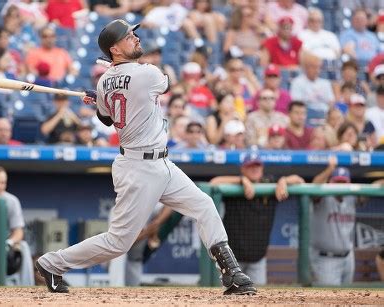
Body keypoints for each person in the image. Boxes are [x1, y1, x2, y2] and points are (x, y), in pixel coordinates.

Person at [35, 19, 257, 295]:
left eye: (133, 34)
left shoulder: (105, 81)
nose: (136, 39)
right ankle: (53, 263)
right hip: (138, 166)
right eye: (128, 37)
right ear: (114, 49)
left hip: (161, 162)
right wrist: (110, 90)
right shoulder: (147, 73)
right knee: (118, 242)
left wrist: (101, 94)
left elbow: (106, 117)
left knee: (203, 205)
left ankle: (231, 273)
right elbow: (161, 84)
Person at [210, 152, 304, 285]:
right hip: (233, 258)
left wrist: (283, 181)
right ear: (243, 169)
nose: (255, 169)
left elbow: (299, 180)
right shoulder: (236, 186)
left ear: (262, 168)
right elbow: (214, 183)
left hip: (258, 258)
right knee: (227, 297)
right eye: (250, 166)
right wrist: (241, 180)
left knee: (258, 298)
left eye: (257, 166)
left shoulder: (270, 183)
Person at [310, 157, 360, 286]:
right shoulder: (323, 197)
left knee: (347, 300)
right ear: (330, 182)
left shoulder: (352, 197)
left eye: (344, 182)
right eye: (337, 182)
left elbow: (375, 188)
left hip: (348, 257)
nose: (340, 186)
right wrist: (330, 169)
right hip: (326, 259)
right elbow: (313, 188)